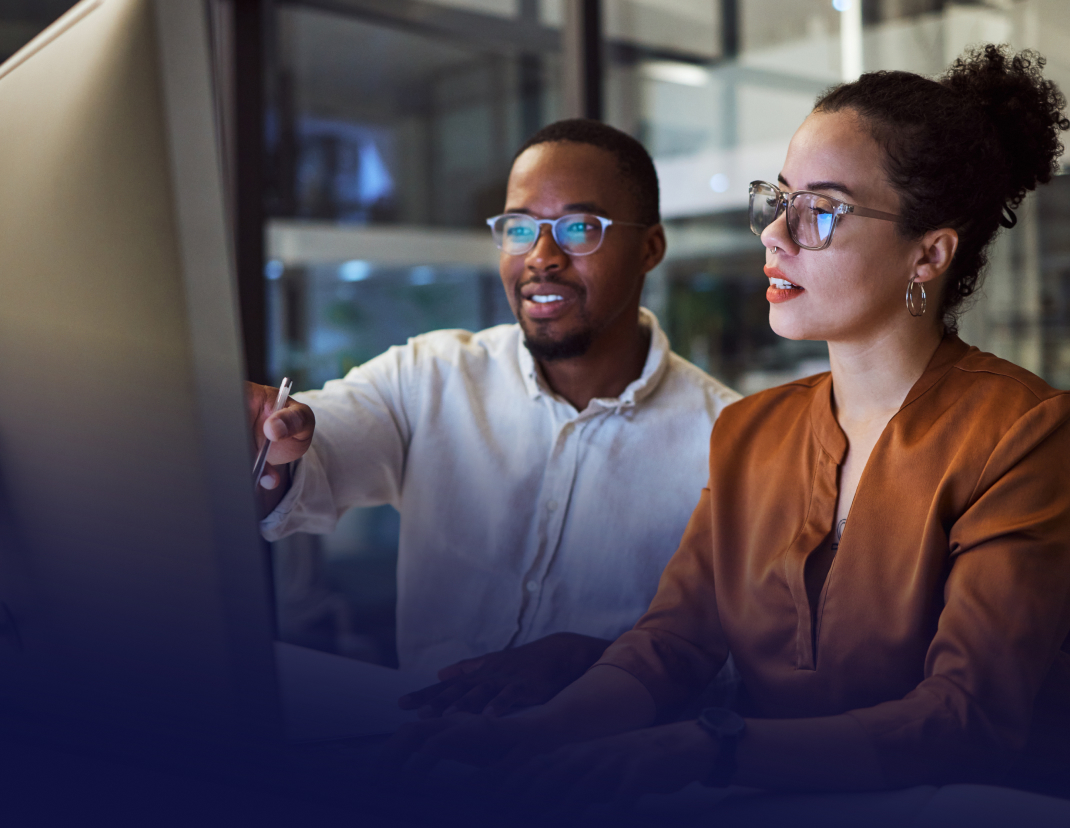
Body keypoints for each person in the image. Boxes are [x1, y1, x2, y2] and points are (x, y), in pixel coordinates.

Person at [388, 46, 1070, 813]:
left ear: (928, 254)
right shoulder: (751, 431)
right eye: (777, 200)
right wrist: (530, 734)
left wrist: (710, 747)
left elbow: (965, 720)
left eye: (819, 210)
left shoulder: (1018, 434)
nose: (774, 234)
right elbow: (669, 646)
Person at [249, 119, 740, 710]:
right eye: (519, 228)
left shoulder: (730, 440)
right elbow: (317, 453)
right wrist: (270, 440)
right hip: (424, 744)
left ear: (650, 249)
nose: (541, 257)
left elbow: (752, 663)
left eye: (579, 228)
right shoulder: (430, 374)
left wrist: (613, 664)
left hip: (608, 756)